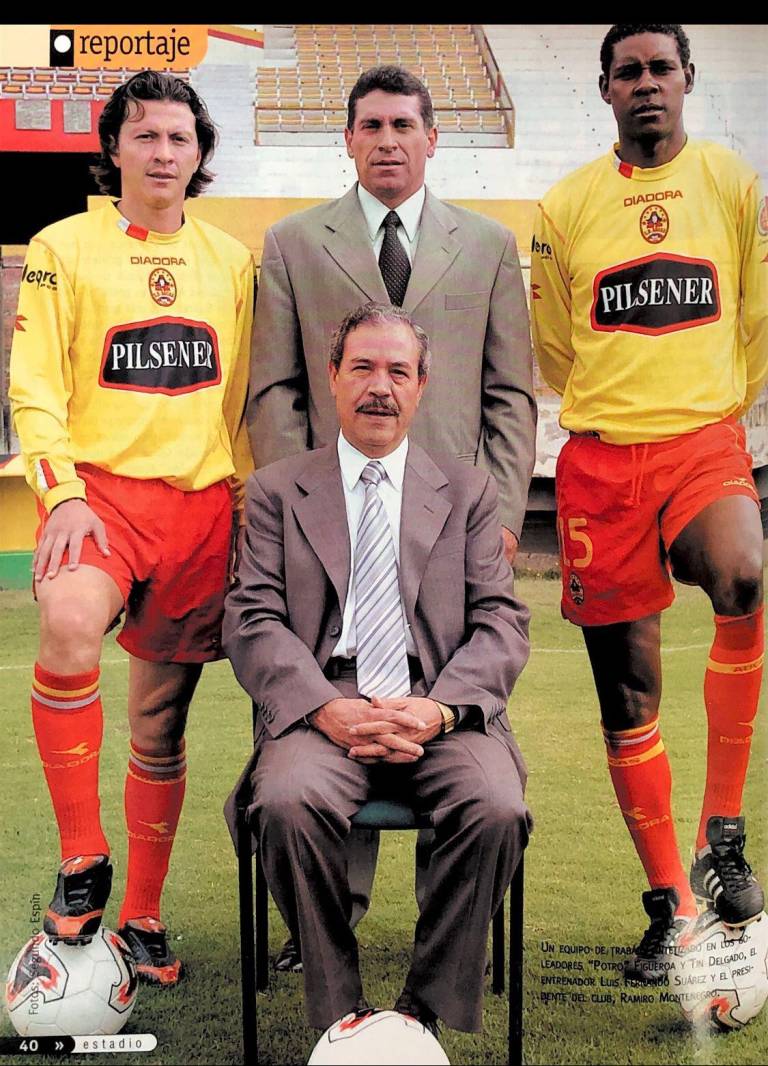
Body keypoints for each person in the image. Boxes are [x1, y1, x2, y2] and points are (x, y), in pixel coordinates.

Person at [250, 63, 536, 969]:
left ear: (432, 139)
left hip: (453, 531)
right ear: (347, 138)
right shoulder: (294, 242)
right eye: (369, 125)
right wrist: (303, 521)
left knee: (440, 718)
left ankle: (449, 927)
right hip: (332, 521)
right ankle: (324, 917)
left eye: (403, 125)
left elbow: (509, 393)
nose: (387, 140)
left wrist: (494, 514)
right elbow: (276, 387)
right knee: (336, 707)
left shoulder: (487, 244)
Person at [531, 23, 767, 984]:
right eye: (627, 72)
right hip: (600, 465)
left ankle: (723, 825)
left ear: (687, 80)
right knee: (627, 694)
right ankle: (673, 900)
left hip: (704, 442)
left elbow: (752, 317)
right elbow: (554, 347)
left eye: (660, 68)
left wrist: (710, 403)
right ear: (604, 90)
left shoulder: (730, 184)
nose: (645, 85)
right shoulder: (566, 204)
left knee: (746, 571)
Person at [223, 302, 531, 1036]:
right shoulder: (275, 492)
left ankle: (423, 1012)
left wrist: (441, 709)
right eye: (362, 367)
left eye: (398, 370)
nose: (379, 387)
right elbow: (252, 618)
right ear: (332, 378)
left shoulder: (468, 491)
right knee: (288, 803)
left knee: (496, 807)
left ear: (422, 386)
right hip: (323, 707)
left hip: (440, 708)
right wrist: (323, 708)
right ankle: (344, 1013)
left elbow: (501, 621)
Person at [9, 70, 254, 985]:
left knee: (161, 725)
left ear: (200, 155)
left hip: (198, 512)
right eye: (145, 136)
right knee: (69, 621)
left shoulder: (231, 262)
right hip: (100, 499)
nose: (162, 153)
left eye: (179, 139)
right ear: (113, 148)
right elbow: (33, 384)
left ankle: (144, 921)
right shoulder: (60, 246)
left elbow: (233, 399)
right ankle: (83, 860)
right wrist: (61, 492)